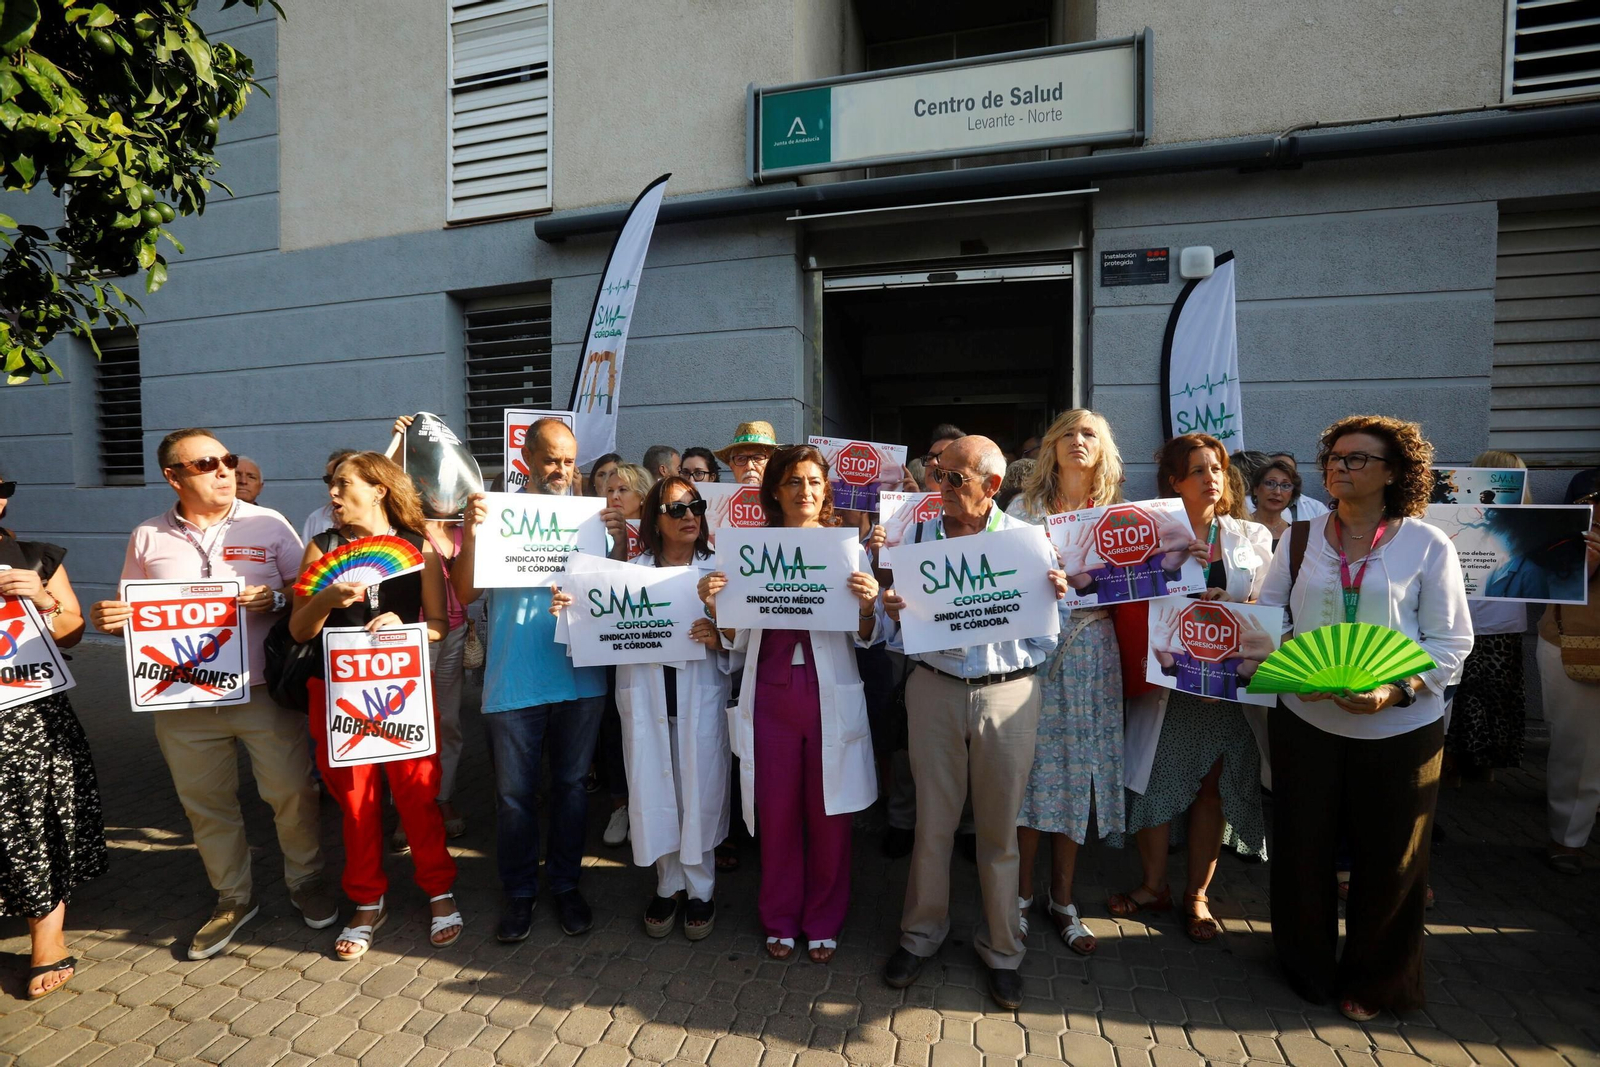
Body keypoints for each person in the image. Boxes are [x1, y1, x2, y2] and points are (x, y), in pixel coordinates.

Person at [1256, 415, 1473, 1021]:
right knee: (1303, 849)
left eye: (1356, 459)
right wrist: (1300, 664)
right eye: (1334, 458)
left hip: (1400, 728)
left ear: (1393, 473)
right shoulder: (1299, 538)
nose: (1340, 468)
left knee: (1391, 859)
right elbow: (1271, 615)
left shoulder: (1427, 545)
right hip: (1307, 718)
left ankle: (1377, 982)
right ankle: (1306, 967)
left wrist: (1396, 688)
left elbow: (1452, 641)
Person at [91, 429, 336, 959]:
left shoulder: (268, 523)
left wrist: (275, 596)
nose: (224, 470)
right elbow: (131, 604)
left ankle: (306, 880)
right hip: (181, 699)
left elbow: (310, 589)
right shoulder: (148, 536)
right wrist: (113, 618)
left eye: (226, 460)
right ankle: (233, 897)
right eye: (207, 464)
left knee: (292, 794)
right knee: (206, 806)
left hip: (263, 691)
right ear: (173, 476)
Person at [881, 435, 1071, 1010]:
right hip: (933, 689)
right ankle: (919, 937)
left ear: (991, 487)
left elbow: (1045, 637)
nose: (941, 487)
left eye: (955, 478)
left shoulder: (1025, 542)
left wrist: (1050, 597)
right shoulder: (917, 537)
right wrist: (893, 609)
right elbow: (897, 632)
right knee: (932, 827)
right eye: (939, 475)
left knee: (997, 831)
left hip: (1007, 695)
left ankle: (1003, 951)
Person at [698, 444, 882, 964]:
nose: (805, 492)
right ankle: (779, 916)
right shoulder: (748, 551)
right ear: (775, 492)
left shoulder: (847, 550)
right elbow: (734, 638)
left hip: (829, 698)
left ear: (826, 492)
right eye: (794, 483)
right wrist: (716, 604)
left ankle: (823, 918)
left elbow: (868, 636)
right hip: (771, 697)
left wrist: (868, 606)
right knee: (776, 814)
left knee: (829, 813)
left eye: (815, 483)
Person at [451, 418, 629, 941]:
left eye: (570, 461)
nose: (561, 470)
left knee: (573, 789)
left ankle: (567, 885)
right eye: (551, 459)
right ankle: (520, 892)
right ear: (525, 458)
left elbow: (609, 594)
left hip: (580, 678)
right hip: (513, 678)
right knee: (514, 797)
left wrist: (615, 550)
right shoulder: (497, 516)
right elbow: (464, 595)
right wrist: (473, 534)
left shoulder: (591, 519)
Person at [288, 452, 459, 959]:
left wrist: (406, 629)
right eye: (331, 485)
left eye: (343, 484)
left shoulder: (417, 546)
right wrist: (326, 600)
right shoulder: (322, 547)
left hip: (401, 690)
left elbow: (439, 625)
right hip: (338, 693)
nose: (333, 495)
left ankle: (438, 888)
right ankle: (367, 898)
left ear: (379, 489)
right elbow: (299, 629)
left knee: (417, 793)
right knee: (356, 801)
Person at [1110, 435, 1275, 943]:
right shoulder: (1154, 534)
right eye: (1198, 469)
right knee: (1154, 784)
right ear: (1174, 480)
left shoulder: (1252, 536)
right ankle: (1153, 886)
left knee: (1213, 791)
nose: (1212, 478)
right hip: (1168, 686)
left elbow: (1268, 607)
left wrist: (1233, 599)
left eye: (1218, 469)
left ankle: (1197, 896)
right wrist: (1171, 568)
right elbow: (1128, 598)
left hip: (1226, 690)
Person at [555, 476, 734, 938]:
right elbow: (594, 631)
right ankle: (667, 883)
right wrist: (570, 610)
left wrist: (721, 637)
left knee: (698, 793)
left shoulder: (719, 571)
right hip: (649, 699)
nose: (689, 515)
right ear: (655, 519)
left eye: (694, 506)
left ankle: (701, 890)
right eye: (676, 509)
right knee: (657, 794)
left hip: (700, 697)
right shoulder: (628, 573)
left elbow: (746, 640)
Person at [1004, 411, 1128, 957]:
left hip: (1094, 653)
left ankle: (1064, 900)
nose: (1079, 443)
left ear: (1103, 450)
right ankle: (1020, 898)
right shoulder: (1021, 511)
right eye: (1069, 434)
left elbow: (1141, 585)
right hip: (1033, 652)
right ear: (1051, 445)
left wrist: (1183, 564)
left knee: (1079, 776)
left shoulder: (1121, 516)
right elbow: (998, 581)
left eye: (1090, 435)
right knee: (1031, 776)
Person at [0, 473, 108, 1000]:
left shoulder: (31, 555)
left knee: (33, 817)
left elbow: (73, 629)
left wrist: (41, 596)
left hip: (25, 715)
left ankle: (47, 940)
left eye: (2, 486)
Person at [383, 415, 470, 843]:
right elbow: (373, 485)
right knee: (409, 722)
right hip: (411, 634)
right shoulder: (405, 523)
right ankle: (408, 806)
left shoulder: (462, 523)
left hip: (453, 634)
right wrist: (399, 441)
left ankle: (443, 795)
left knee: (447, 720)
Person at [1447, 450, 1532, 783]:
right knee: (1467, 693)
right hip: (1468, 619)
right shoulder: (1453, 516)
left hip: (1497, 621)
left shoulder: (1533, 522)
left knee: (1483, 693)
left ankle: (1473, 763)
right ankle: (1462, 762)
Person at [1539, 471, 1600, 875]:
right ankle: (1569, 837)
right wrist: (1587, 563)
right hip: (1581, 643)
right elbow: (1544, 579)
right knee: (1579, 750)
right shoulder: (1585, 499)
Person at [598, 460, 655, 846]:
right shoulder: (591, 532)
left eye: (624, 490)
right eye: (609, 490)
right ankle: (621, 804)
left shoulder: (661, 532)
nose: (615, 496)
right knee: (613, 727)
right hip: (611, 648)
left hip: (654, 647)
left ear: (643, 496)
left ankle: (651, 805)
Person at [303, 449, 357, 544]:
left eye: (343, 482)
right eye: (329, 480)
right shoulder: (316, 518)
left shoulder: (388, 525)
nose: (333, 490)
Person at [1248, 457, 1303, 547]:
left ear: (1292, 494)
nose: (1277, 492)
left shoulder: (1296, 535)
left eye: (1285, 486)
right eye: (1270, 483)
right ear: (1255, 489)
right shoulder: (1239, 528)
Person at [715, 421, 781, 485]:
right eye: (741, 458)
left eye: (757, 458)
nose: (749, 466)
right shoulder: (718, 496)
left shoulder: (787, 496)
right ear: (731, 466)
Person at [1269, 452, 1330, 520]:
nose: (1281, 476)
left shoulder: (1317, 508)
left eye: (1288, 471)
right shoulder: (1255, 510)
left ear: (1296, 476)